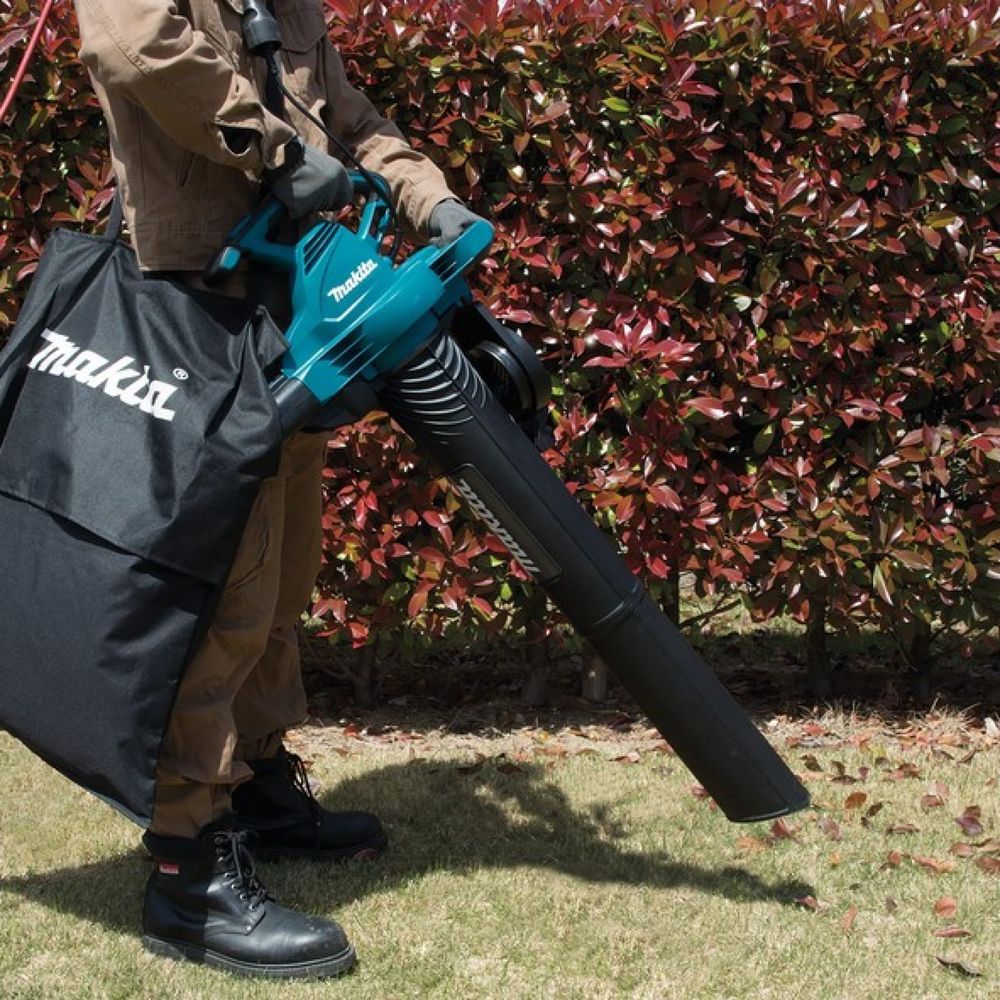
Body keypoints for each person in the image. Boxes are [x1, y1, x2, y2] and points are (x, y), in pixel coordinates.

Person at [71, 0, 483, 980]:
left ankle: (255, 786)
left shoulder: (286, 3)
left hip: (289, 313)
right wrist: (271, 148)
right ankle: (188, 869)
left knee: (281, 578)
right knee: (221, 595)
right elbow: (131, 46)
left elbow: (349, 119)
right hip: (195, 303)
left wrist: (428, 197)